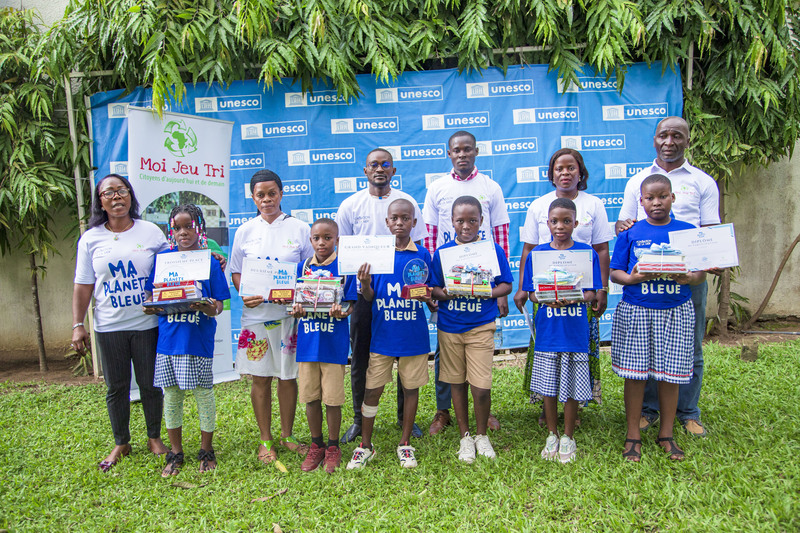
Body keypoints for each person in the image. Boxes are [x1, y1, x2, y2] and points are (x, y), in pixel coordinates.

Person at [616, 116, 720, 438]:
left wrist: (705, 264)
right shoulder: (638, 181)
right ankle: (647, 410)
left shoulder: (703, 182)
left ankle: (688, 412)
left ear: (687, 140)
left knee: (689, 349)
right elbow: (625, 227)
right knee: (644, 350)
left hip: (686, 279)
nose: (669, 141)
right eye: (663, 135)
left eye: (677, 135)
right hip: (645, 284)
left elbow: (711, 231)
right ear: (655, 140)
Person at [71, 174, 171, 472]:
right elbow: (83, 285)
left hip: (147, 324)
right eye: (109, 193)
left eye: (122, 190)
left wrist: (209, 262)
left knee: (151, 385)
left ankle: (154, 438)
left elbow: (174, 266)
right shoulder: (91, 238)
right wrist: (78, 324)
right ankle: (122, 442)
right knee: (117, 387)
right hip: (109, 327)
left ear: (131, 196)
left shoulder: (151, 232)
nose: (116, 197)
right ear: (99, 201)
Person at [610, 175, 706, 461]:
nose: (656, 202)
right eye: (650, 198)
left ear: (673, 198)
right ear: (641, 201)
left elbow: (700, 273)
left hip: (676, 310)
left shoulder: (687, 232)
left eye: (662, 196)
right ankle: (633, 436)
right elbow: (615, 272)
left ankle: (667, 434)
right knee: (636, 376)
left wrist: (687, 277)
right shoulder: (631, 233)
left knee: (671, 375)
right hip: (637, 310)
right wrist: (633, 277)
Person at [336, 148, 428, 444]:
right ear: (365, 171)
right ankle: (358, 419)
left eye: (385, 164)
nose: (379, 169)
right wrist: (353, 289)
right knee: (361, 354)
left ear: (393, 170)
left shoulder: (408, 202)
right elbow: (344, 251)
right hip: (364, 290)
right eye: (373, 165)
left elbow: (420, 248)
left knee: (406, 352)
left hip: (400, 290)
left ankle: (405, 419)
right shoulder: (351, 205)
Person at [422, 130, 510, 435]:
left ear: (476, 151)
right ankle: (443, 411)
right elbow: (431, 236)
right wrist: (434, 286)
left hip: (484, 282)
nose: (462, 154)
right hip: (448, 281)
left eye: (467, 149)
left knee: (479, 355)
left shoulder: (490, 187)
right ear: (449, 154)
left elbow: (500, 233)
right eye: (456, 150)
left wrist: (499, 292)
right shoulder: (437, 188)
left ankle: (483, 415)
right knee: (447, 349)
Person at [514, 148, 613, 418]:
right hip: (546, 294)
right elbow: (528, 250)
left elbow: (602, 250)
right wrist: (524, 287)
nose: (565, 173)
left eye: (571, 167)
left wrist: (602, 289)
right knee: (546, 345)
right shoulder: (538, 205)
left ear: (581, 172)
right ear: (551, 173)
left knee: (580, 344)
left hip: (581, 296)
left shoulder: (593, 204)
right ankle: (547, 403)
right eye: (559, 168)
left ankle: (577, 403)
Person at [229, 169, 314, 464]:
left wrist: (301, 297)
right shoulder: (245, 231)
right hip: (256, 316)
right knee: (261, 377)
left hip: (290, 315)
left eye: (272, 193)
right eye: (260, 195)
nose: (266, 200)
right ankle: (265, 439)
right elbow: (237, 272)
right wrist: (245, 294)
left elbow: (309, 271)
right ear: (253, 197)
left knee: (287, 376)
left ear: (281, 193)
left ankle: (287, 436)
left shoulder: (300, 229)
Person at [143, 204, 231, 476]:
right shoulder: (163, 260)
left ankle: (206, 450)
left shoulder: (210, 261)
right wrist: (152, 305)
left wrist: (207, 307)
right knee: (171, 397)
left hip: (198, 340)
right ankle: (176, 452)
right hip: (168, 342)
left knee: (204, 395)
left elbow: (218, 305)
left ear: (199, 227)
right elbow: (149, 298)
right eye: (177, 227)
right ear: (171, 230)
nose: (183, 232)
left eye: (189, 226)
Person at [347, 199, 433, 469]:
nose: (399, 223)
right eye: (394, 218)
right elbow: (370, 297)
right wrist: (364, 284)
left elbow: (428, 292)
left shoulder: (422, 254)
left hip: (413, 337)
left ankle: (405, 443)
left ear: (414, 223)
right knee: (372, 391)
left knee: (410, 389)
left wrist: (428, 296)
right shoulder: (376, 254)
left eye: (405, 218)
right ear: (386, 222)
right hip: (383, 336)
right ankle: (365, 445)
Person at [430, 196, 513, 463]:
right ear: (452, 222)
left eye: (472, 220)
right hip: (450, 327)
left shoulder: (492, 251)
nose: (466, 226)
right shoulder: (443, 253)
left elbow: (506, 285)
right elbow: (434, 288)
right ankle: (465, 436)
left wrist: (484, 290)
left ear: (481, 221)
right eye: (460, 220)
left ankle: (481, 435)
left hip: (480, 325)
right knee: (455, 382)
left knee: (480, 386)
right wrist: (448, 292)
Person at [521, 198, 601, 463]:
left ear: (576, 223)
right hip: (548, 333)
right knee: (549, 386)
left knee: (573, 386)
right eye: (555, 221)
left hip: (575, 332)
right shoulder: (538, 255)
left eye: (567, 221)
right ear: (547, 224)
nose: (560, 226)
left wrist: (576, 296)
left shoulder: (586, 254)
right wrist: (546, 298)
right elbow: (531, 294)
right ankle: (552, 434)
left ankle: (568, 437)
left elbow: (592, 292)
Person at [291, 218, 356, 473]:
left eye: (328, 238)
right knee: (310, 397)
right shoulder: (302, 267)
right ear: (310, 240)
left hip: (333, 344)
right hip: (308, 344)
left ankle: (332, 446)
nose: (322, 242)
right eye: (317, 238)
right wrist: (296, 310)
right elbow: (296, 301)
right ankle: (315, 444)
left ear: (337, 240)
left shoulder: (344, 268)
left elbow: (351, 304)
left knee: (332, 399)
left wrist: (344, 312)